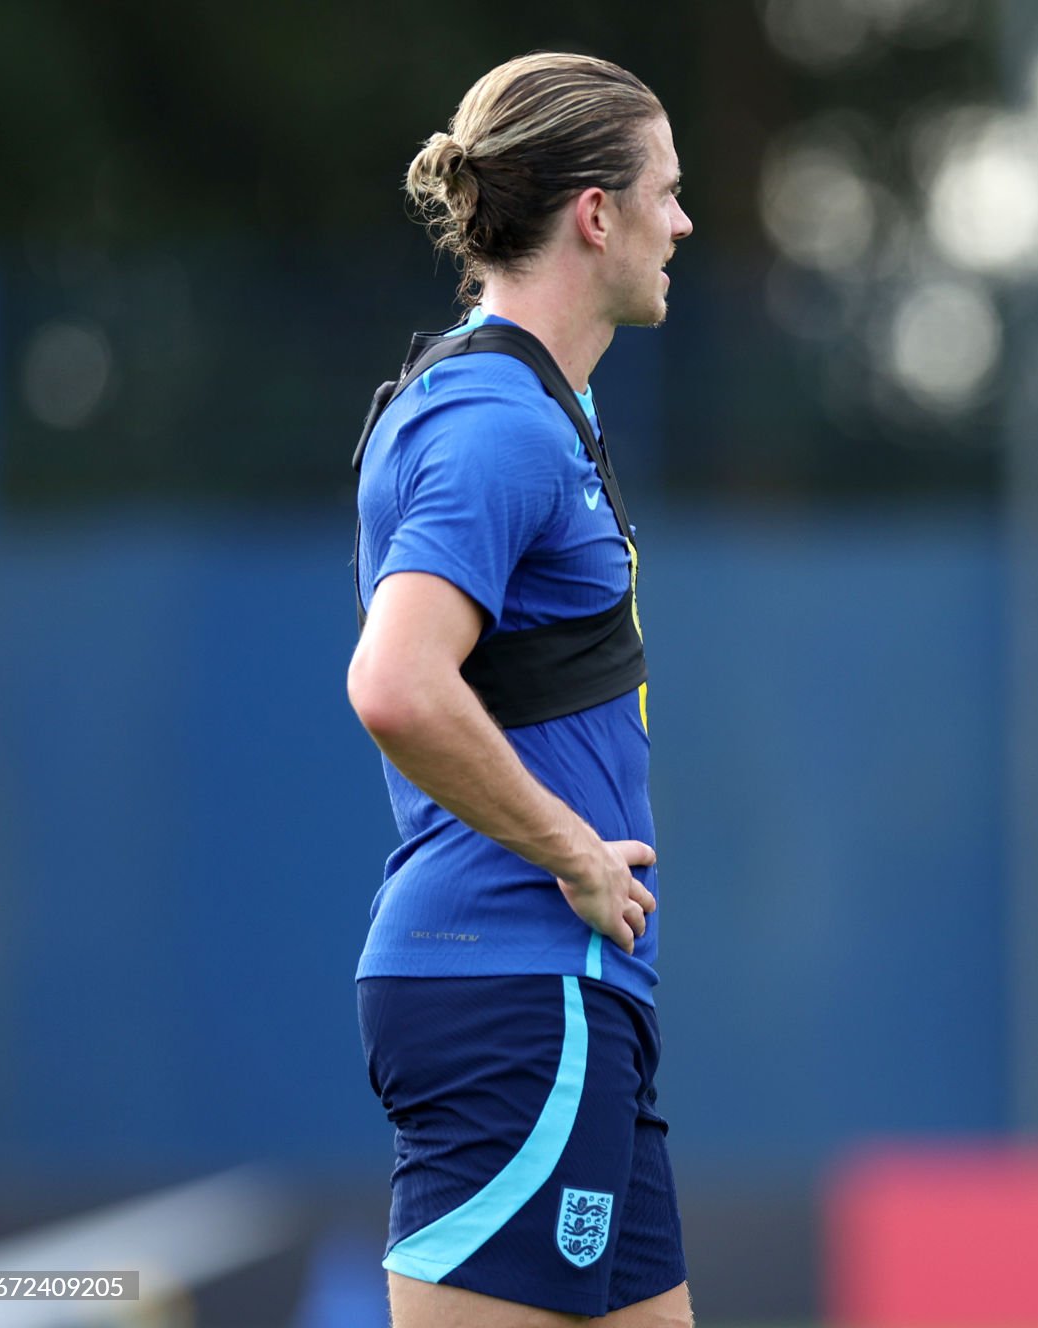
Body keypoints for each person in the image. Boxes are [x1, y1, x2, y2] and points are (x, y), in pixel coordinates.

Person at [346, 52, 694, 1328]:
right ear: (595, 214)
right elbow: (394, 682)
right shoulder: (498, 423)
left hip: (569, 992)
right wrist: (573, 853)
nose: (684, 222)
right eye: (666, 190)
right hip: (514, 982)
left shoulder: (519, 408)